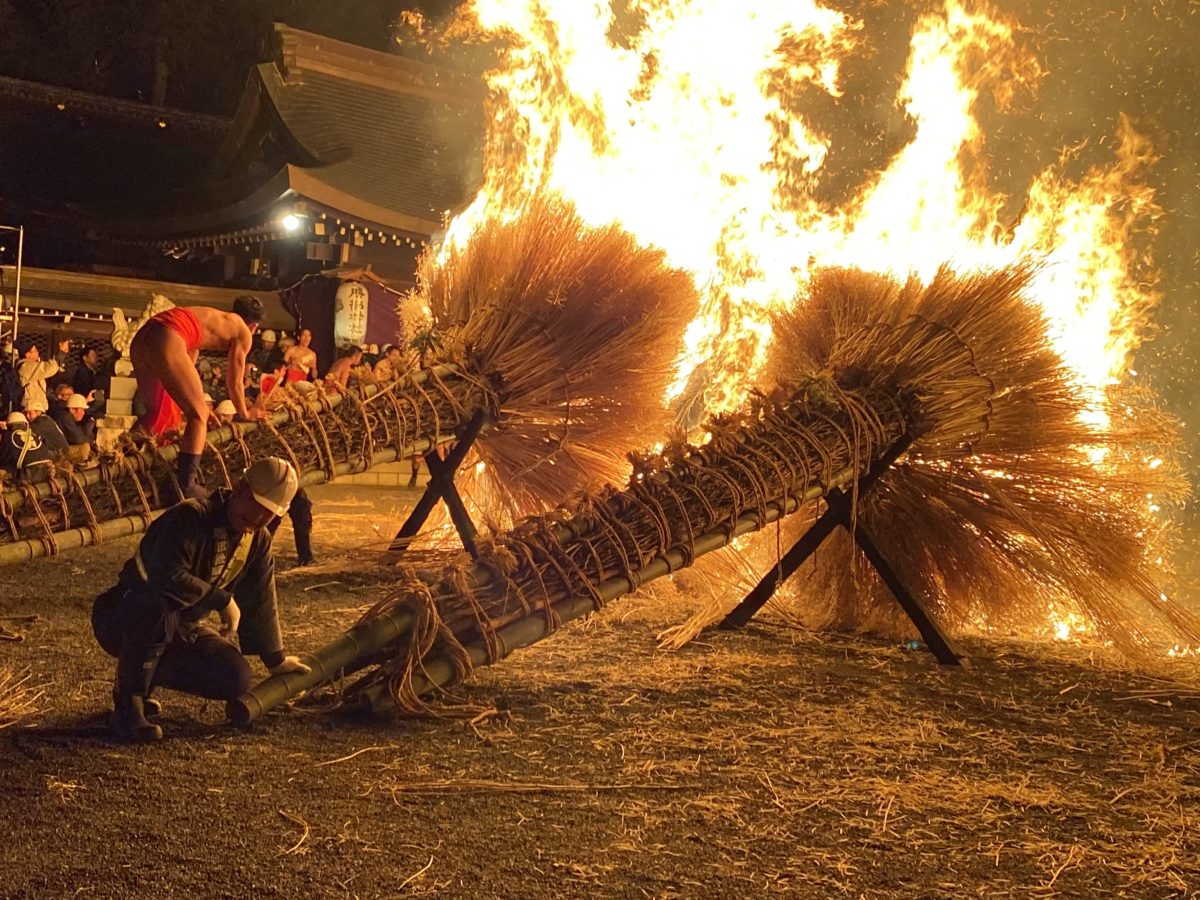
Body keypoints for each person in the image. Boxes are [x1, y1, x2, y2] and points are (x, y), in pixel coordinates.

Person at [91, 457, 312, 742]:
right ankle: (128, 703)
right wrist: (221, 600)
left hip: (182, 627)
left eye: (268, 513)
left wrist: (276, 660)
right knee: (158, 606)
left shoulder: (257, 541)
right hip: (124, 615)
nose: (258, 517)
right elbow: (166, 576)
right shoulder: (190, 516)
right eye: (255, 503)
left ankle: (142, 678)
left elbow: (259, 597)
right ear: (239, 487)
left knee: (234, 677)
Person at [129, 296, 269, 497]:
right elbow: (234, 381)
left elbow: (187, 363)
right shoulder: (243, 331)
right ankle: (187, 483)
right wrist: (245, 412)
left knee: (158, 410)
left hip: (144, 336)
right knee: (198, 416)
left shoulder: (212, 316)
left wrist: (197, 401)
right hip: (169, 335)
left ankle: (125, 459)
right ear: (254, 326)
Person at [16, 336, 69, 416]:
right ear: (27, 354)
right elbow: (49, 368)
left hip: (36, 408)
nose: (37, 353)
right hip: (31, 409)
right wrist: (61, 352)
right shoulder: (26, 367)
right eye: (35, 351)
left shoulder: (30, 367)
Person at [0, 411, 53, 479]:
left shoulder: (7, 436)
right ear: (25, 423)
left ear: (8, 425)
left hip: (28, 474)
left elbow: (4, 457)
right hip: (47, 470)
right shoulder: (35, 433)